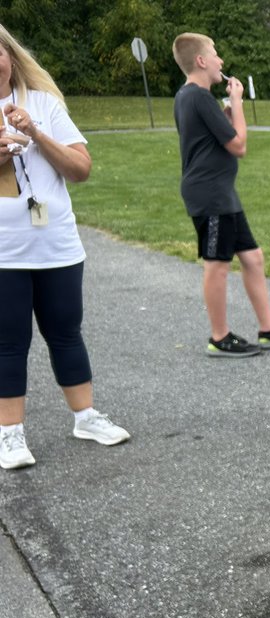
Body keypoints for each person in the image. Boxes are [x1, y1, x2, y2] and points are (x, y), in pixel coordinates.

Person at [0, 24, 130, 470]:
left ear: (10, 58)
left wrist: (36, 133)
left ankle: (85, 416)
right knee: (8, 342)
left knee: (66, 331)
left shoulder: (44, 104)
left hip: (56, 244)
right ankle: (10, 436)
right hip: (4, 252)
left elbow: (81, 169)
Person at [172, 32, 270, 357]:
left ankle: (269, 329)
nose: (221, 61)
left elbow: (220, 132)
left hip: (221, 192)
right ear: (201, 61)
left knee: (252, 257)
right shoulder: (198, 97)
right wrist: (236, 103)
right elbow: (238, 145)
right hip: (210, 195)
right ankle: (219, 337)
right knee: (218, 264)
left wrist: (231, 108)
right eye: (215, 54)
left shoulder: (191, 97)